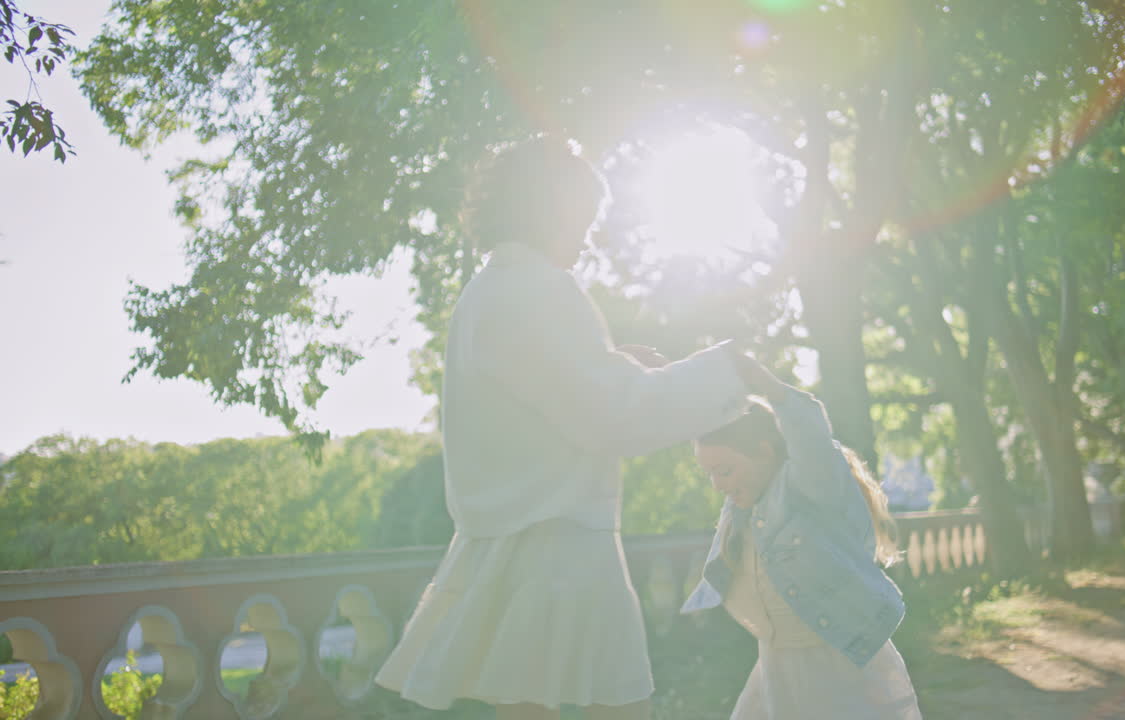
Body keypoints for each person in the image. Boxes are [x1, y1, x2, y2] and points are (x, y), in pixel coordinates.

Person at [375, 137, 750, 720]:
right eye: (584, 216)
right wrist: (726, 373)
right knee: (620, 710)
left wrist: (612, 365)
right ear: (551, 206)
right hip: (559, 554)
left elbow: (550, 399)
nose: (587, 235)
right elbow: (613, 417)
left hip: (509, 547)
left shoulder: (485, 293)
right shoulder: (540, 289)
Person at [681, 354, 922, 719]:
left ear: (766, 450)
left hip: (837, 659)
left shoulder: (807, 489)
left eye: (725, 470)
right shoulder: (744, 507)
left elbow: (811, 439)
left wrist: (769, 387)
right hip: (777, 662)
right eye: (710, 474)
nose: (718, 485)